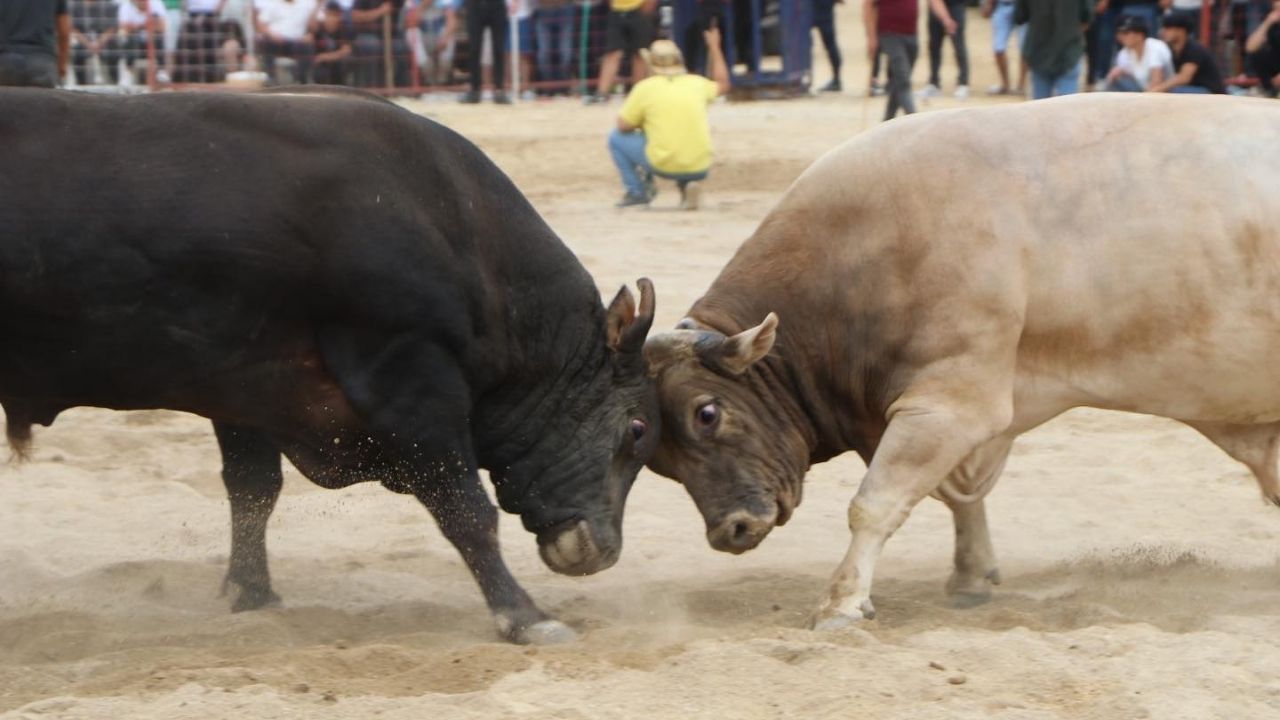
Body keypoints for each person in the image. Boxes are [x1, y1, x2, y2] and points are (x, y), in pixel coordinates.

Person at [608, 28, 730, 209]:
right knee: (678, 139)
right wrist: (714, 47)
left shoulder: (645, 88)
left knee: (616, 139)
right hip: (700, 164)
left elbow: (623, 125)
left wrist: (643, 123)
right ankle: (687, 186)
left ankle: (638, 191)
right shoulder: (696, 83)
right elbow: (723, 83)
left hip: (663, 163)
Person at [865, 0, 956, 121]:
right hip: (889, 34)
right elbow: (868, 5)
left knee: (898, 82)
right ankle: (915, 120)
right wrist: (871, 37)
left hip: (911, 35)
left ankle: (886, 121)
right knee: (903, 81)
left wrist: (946, 19)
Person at [1015, 0, 1092, 99]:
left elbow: (1019, 16)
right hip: (1068, 52)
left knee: (1041, 107)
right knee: (1067, 107)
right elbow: (1087, 17)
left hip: (1040, 52)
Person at [588, 0, 655, 103]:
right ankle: (602, 93)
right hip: (617, 10)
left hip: (639, 9)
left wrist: (648, 7)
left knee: (639, 54)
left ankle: (637, 94)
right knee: (612, 52)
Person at [1148, 10, 1225, 91]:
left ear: (1181, 30)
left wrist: (1158, 88)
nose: (1163, 32)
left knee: (1176, 91)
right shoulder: (1170, 49)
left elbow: (1184, 78)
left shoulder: (1194, 49)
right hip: (1191, 91)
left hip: (1209, 92)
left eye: (1168, 28)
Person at [0, 0, 71, 87]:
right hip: (42, 62)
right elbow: (64, 32)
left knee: (6, 100)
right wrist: (62, 65)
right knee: (44, 100)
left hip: (6, 61)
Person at [255, 0, 318, 83]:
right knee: (266, 43)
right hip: (276, 41)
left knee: (307, 47)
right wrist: (271, 34)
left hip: (297, 42)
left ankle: (300, 80)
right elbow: (260, 24)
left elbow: (314, 28)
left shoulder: (307, 3)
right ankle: (271, 79)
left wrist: (310, 34)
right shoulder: (273, 4)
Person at [1104, 14, 1169, 90]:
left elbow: (1157, 81)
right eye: (1121, 33)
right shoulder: (1126, 52)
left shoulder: (1155, 47)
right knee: (1117, 80)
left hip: (1165, 94)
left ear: (1140, 35)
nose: (1122, 36)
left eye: (1126, 33)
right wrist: (1120, 72)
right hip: (1144, 92)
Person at [352, 0, 407, 88]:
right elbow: (356, 16)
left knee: (402, 48)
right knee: (372, 47)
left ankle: (401, 88)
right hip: (367, 34)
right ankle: (374, 87)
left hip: (392, 36)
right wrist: (380, 11)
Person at [459, 0, 507, 102]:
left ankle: (499, 90)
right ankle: (474, 90)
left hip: (496, 4)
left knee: (499, 48)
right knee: (474, 48)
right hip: (474, 4)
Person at [922, 0, 969, 98]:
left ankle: (963, 83)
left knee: (959, 45)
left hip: (956, 6)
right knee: (934, 46)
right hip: (936, 7)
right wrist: (946, 19)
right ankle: (934, 83)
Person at [405, 0, 456, 86]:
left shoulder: (444, 1)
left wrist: (445, 38)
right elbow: (410, 23)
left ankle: (442, 79)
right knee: (411, 33)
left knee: (450, 35)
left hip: (439, 38)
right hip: (424, 38)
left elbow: (453, 22)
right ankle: (427, 72)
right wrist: (423, 5)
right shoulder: (412, 2)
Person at [982, 0, 1027, 94]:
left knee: (1025, 48)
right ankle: (1005, 85)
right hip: (1002, 6)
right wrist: (987, 4)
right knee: (998, 48)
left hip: (1023, 6)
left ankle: (1021, 86)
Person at [69, 0, 115, 85]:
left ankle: (113, 81)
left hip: (104, 41)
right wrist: (88, 44)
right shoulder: (75, 5)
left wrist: (99, 42)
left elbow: (112, 27)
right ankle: (81, 84)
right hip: (83, 41)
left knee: (113, 50)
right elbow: (73, 28)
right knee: (76, 52)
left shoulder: (108, 4)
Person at [179, 0, 226, 83]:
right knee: (192, 50)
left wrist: (215, 14)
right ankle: (192, 79)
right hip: (192, 14)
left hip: (211, 14)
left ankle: (211, 79)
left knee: (210, 50)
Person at [534, 0, 574, 91]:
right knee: (544, 53)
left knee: (565, 52)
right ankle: (547, 87)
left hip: (564, 10)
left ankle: (564, 87)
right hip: (544, 10)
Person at [312, 0, 353, 83]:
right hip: (322, 66)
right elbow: (311, 25)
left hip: (337, 64)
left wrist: (325, 57)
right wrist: (318, 6)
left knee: (342, 66)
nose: (331, 18)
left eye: (335, 15)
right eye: (329, 14)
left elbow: (346, 51)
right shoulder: (320, 27)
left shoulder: (344, 29)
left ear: (339, 16)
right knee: (319, 73)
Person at [1245, 0, 1280, 95]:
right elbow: (1250, 47)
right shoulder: (1273, 23)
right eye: (1276, 8)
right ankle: (1270, 91)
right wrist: (1267, 22)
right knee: (1258, 54)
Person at [812, 0, 843, 91]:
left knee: (801, 42)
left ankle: (836, 79)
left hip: (813, 7)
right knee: (830, 43)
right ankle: (836, 79)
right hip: (823, 7)